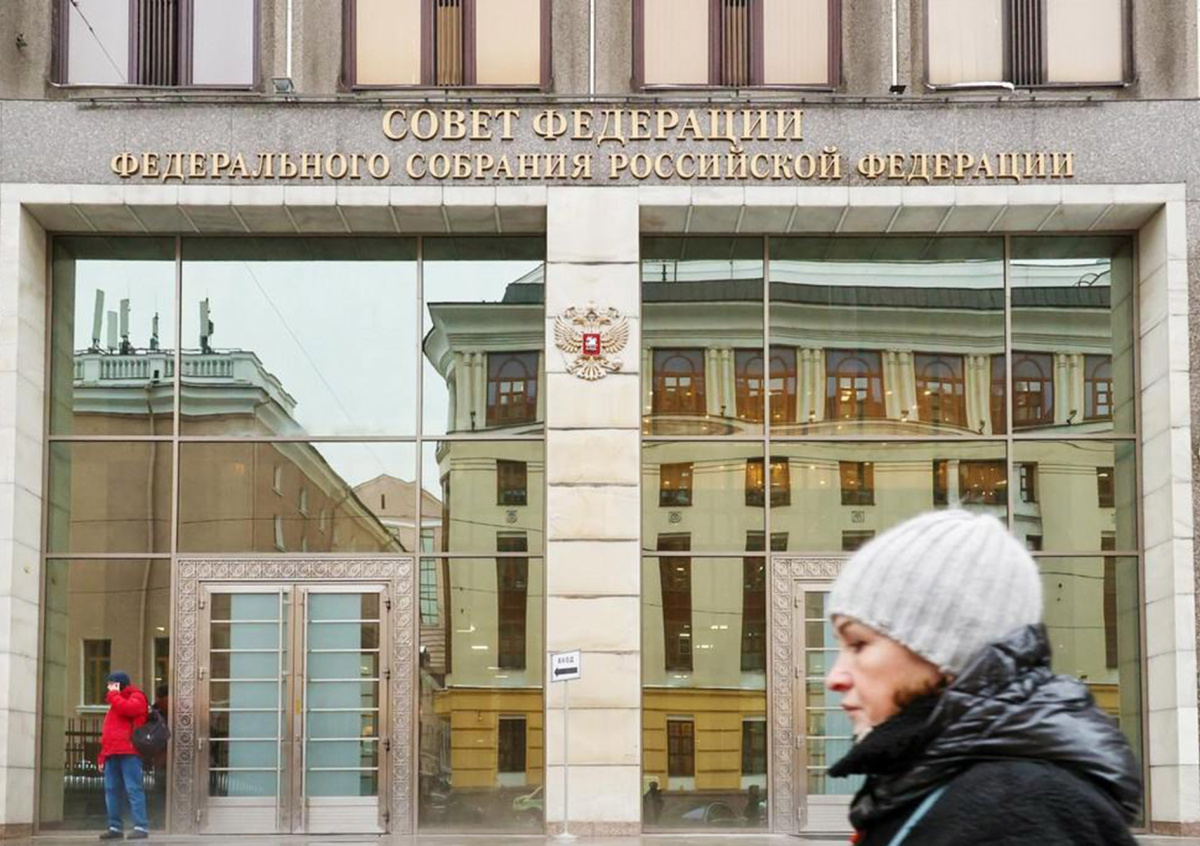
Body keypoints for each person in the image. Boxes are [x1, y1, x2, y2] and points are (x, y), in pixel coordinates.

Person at [823, 510, 1140, 846]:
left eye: (858, 644)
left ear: (947, 647)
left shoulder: (1016, 810)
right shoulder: (938, 782)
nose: (834, 678)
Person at [97, 671, 150, 840]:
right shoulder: (115, 703)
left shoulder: (137, 697)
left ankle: (141, 826)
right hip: (112, 753)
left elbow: (128, 709)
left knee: (133, 789)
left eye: (111, 684)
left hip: (130, 752)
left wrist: (114, 695)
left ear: (119, 684)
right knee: (111, 790)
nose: (108, 688)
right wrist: (102, 756)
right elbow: (108, 732)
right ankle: (115, 827)